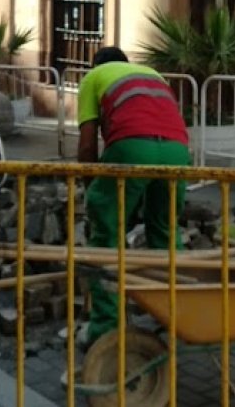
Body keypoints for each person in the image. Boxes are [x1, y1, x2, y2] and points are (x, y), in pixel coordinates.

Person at [77, 46, 191, 344]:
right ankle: (174, 316)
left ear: (96, 64)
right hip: (178, 152)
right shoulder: (154, 76)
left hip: (130, 147)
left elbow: (87, 145)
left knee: (106, 240)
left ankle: (105, 330)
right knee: (165, 234)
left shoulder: (93, 77)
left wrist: (91, 190)